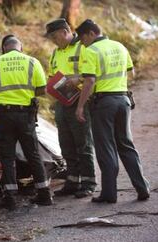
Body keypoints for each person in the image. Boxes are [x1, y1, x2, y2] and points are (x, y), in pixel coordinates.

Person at [75, 19, 150, 203]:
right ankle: (142, 188)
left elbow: (90, 81)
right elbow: (130, 72)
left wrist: (79, 106)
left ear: (91, 33)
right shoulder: (120, 46)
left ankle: (109, 194)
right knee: (126, 144)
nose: (82, 43)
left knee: (106, 147)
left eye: (83, 38)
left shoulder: (92, 51)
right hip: (123, 100)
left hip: (104, 103)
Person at [0, 34, 53, 210]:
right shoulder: (32, 62)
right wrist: (25, 94)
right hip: (26, 115)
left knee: (7, 156)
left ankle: (10, 198)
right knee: (33, 154)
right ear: (20, 48)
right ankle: (44, 194)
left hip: (4, 115)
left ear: (4, 48)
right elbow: (42, 89)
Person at [44, 18, 96, 198]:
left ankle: (89, 182)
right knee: (66, 143)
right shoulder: (55, 53)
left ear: (64, 31)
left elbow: (92, 74)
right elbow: (53, 76)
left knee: (83, 143)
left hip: (80, 100)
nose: (52, 40)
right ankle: (73, 182)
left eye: (53, 36)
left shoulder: (83, 47)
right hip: (62, 103)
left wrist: (78, 80)